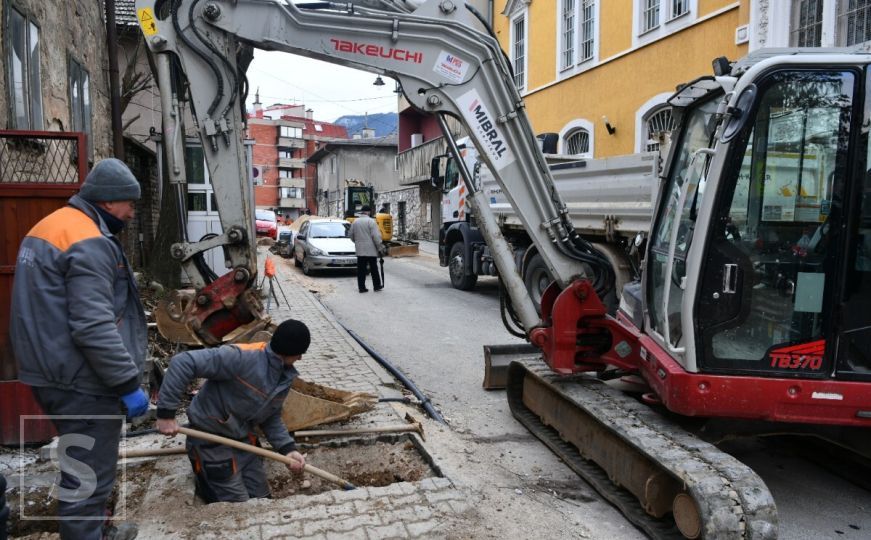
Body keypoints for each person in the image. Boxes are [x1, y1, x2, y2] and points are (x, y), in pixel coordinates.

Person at [10, 158, 148, 540]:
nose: (132, 213)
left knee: (82, 464)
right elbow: (92, 325)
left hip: (50, 371)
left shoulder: (50, 226)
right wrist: (126, 383)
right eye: (129, 204)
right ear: (107, 202)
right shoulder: (89, 242)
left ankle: (98, 532)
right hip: (82, 382)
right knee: (87, 480)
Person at [155, 319, 310, 503]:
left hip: (244, 442)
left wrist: (287, 449)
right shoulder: (241, 358)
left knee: (263, 500)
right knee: (238, 507)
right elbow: (183, 362)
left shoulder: (283, 376)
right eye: (299, 353)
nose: (300, 358)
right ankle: (207, 486)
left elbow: (271, 416)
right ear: (289, 350)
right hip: (211, 443)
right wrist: (166, 414)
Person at [349, 205, 384, 293]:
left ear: (362, 212)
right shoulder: (371, 221)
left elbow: (351, 235)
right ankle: (376, 286)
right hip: (371, 250)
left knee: (361, 270)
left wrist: (358, 242)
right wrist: (380, 247)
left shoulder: (355, 222)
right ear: (368, 212)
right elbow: (376, 236)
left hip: (360, 250)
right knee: (373, 269)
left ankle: (361, 287)